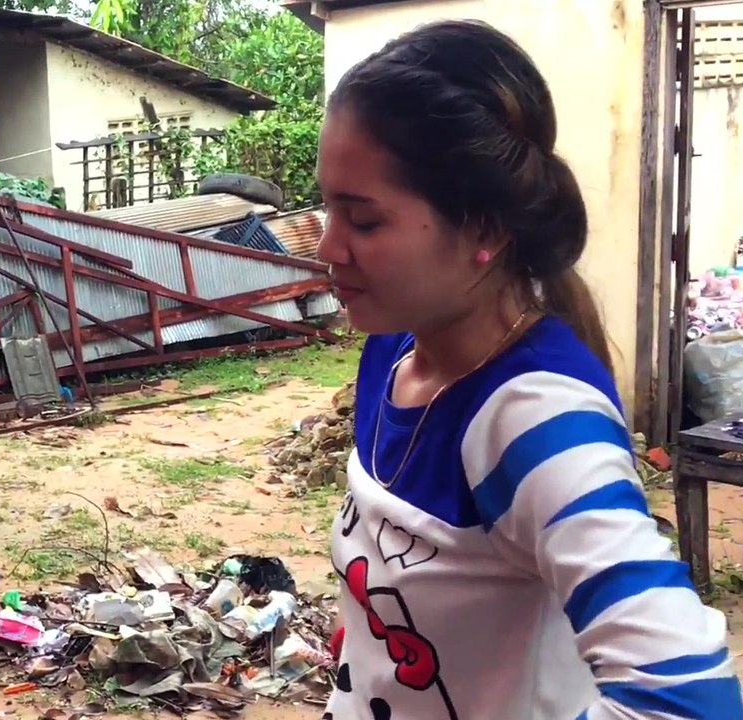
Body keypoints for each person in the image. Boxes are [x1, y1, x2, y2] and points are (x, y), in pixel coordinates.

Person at [315, 19, 743, 720]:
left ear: (484, 229)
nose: (328, 248)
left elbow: (690, 702)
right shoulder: (392, 352)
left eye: (363, 221)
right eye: (327, 207)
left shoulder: (536, 422)